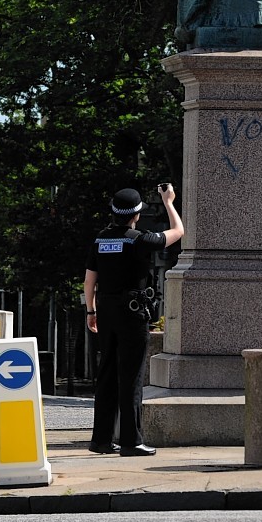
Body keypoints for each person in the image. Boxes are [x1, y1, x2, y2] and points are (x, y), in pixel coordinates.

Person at [84, 183, 184, 455]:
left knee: (106, 373)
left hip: (105, 310)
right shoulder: (139, 239)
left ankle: (101, 440)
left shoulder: (101, 240)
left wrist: (91, 312)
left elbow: (89, 280)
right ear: (136, 213)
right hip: (131, 311)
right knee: (131, 376)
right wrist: (168, 202)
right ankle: (131, 440)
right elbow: (178, 232)